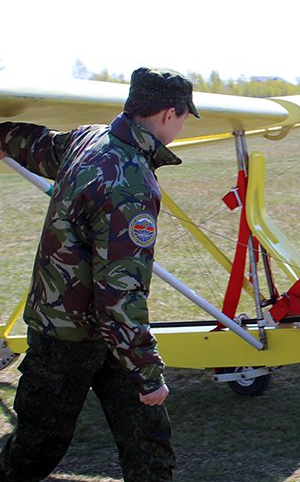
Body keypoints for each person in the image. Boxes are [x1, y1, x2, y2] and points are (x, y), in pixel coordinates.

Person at [0, 67, 199, 481]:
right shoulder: (133, 182)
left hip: (77, 332)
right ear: (168, 115)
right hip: (74, 340)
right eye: (183, 116)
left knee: (147, 448)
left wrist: (2, 137)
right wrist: (148, 376)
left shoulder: (87, 139)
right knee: (34, 452)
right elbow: (120, 294)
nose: (182, 125)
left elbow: (38, 145)